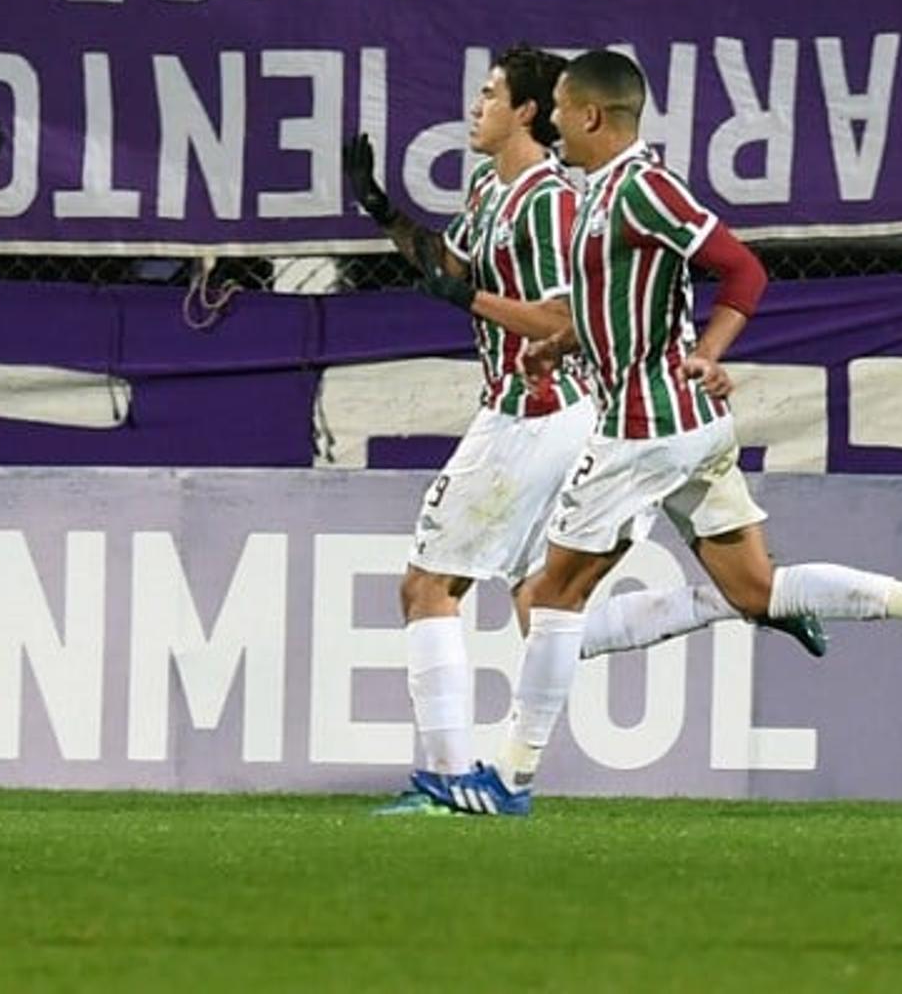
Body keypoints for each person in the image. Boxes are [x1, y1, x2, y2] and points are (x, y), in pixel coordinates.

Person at [415, 49, 902, 817]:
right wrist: (563, 343)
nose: (555, 118)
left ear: (593, 115)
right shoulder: (601, 192)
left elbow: (743, 270)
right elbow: (625, 303)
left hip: (644, 426)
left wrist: (708, 351)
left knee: (550, 596)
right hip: (689, 427)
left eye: (563, 107)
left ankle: (508, 778)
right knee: (758, 590)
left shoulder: (644, 187)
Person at [345, 45, 822, 816]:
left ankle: (447, 779)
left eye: (493, 93)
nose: (477, 105)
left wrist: (469, 300)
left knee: (429, 584)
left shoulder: (552, 201)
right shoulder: (489, 190)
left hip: (537, 414)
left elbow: (560, 315)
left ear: (532, 112)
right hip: (543, 409)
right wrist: (384, 213)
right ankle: (737, 602)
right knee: (547, 610)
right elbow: (450, 267)